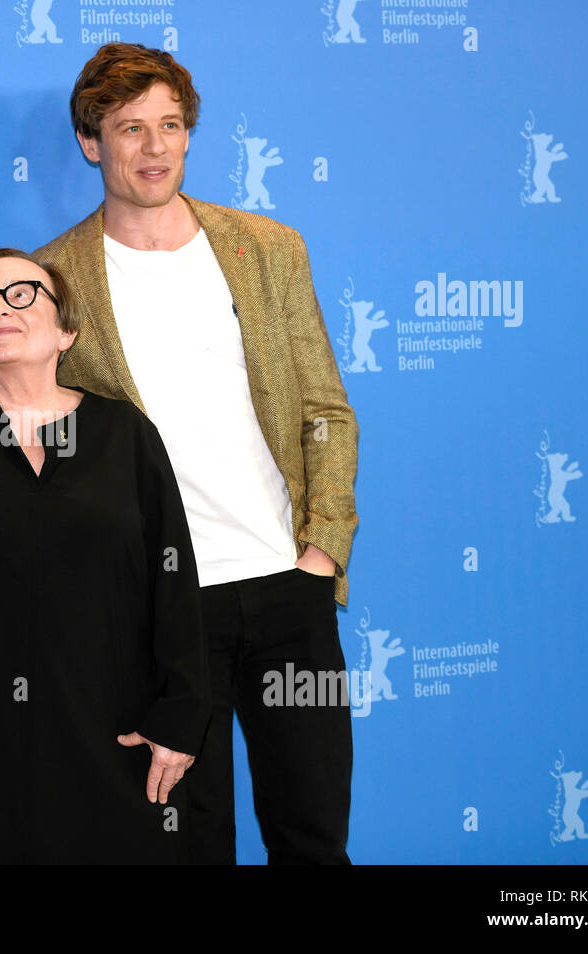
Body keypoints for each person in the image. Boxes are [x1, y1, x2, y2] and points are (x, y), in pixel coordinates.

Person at [36, 43, 359, 865]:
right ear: (90, 142)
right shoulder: (53, 279)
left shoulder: (267, 248)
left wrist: (321, 552)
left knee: (314, 837)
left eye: (171, 125)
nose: (154, 148)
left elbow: (325, 407)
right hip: (163, 613)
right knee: (183, 843)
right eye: (130, 128)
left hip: (289, 591)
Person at [0, 249, 210, 864]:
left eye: (22, 293)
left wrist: (181, 715)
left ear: (66, 331)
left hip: (118, 737)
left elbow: (175, 581)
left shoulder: (124, 434)